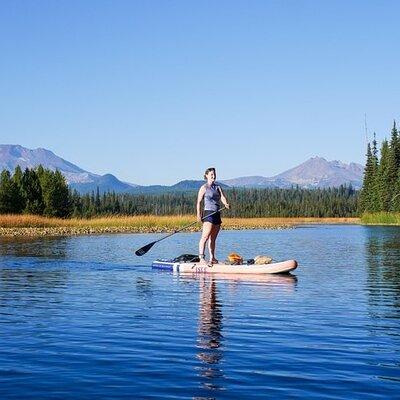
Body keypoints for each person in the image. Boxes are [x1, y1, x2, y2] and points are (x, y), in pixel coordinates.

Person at [197, 167, 230, 265]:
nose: (213, 176)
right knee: (205, 236)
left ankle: (212, 258)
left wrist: (226, 204)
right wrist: (199, 215)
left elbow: (223, 198)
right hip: (208, 214)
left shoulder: (218, 187)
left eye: (214, 174)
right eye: (211, 175)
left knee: (213, 238)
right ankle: (201, 258)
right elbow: (198, 202)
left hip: (216, 214)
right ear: (206, 176)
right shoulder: (203, 188)